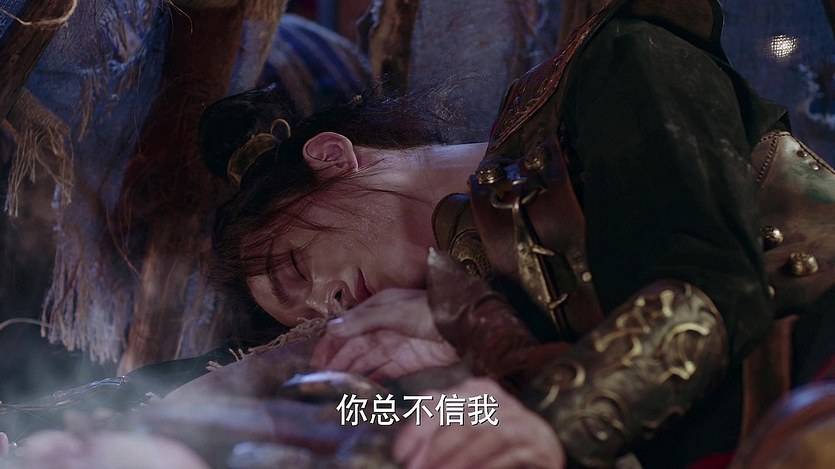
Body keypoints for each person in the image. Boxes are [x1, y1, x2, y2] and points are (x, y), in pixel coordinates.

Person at [200, 0, 835, 467]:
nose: (329, 306)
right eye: (310, 316)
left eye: (294, 268)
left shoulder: (610, 66)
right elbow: (426, 416)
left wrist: (551, 420)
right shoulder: (457, 316)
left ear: (332, 158)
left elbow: (716, 290)